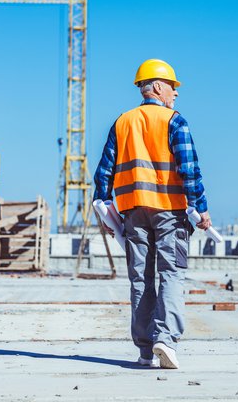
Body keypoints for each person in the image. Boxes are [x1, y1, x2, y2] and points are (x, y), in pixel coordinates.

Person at [93, 59, 211, 369]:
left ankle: (145, 350)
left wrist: (105, 210)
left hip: (132, 213)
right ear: (158, 86)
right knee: (171, 274)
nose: (176, 94)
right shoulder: (174, 120)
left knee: (140, 280)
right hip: (170, 212)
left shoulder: (123, 122)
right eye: (173, 87)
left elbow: (103, 173)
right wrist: (200, 207)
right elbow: (190, 169)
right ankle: (165, 340)